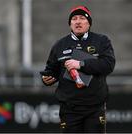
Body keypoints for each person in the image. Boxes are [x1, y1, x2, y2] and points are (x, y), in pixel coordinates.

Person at [41, 5, 115, 133]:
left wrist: (81, 64)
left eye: (82, 18)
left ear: (89, 23)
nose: (78, 21)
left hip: (94, 107)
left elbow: (108, 65)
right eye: (74, 19)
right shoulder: (59, 45)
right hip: (69, 109)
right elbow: (51, 70)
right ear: (70, 24)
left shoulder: (101, 41)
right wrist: (46, 78)